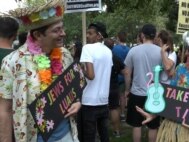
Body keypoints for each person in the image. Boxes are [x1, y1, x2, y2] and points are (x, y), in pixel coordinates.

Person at [0, 0, 82, 142]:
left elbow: (73, 89)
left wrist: (77, 102)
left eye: (62, 28)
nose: (63, 33)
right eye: (56, 30)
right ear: (38, 35)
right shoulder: (13, 62)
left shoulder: (65, 55)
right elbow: (4, 110)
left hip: (66, 135)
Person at [124, 24, 161, 142]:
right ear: (154, 36)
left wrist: (127, 89)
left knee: (137, 125)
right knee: (153, 126)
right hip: (154, 93)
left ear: (142, 35)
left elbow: (127, 73)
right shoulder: (161, 52)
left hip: (137, 93)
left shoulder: (133, 50)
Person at [79, 22, 113, 142]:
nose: (87, 36)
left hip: (89, 101)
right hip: (103, 100)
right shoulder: (108, 52)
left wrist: (81, 69)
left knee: (88, 136)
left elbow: (91, 75)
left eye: (90, 33)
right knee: (104, 134)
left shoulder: (87, 48)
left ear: (99, 36)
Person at [104, 38, 126, 138]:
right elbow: (124, 72)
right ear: (113, 47)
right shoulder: (115, 58)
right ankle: (116, 131)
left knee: (99, 109)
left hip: (101, 87)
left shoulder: (100, 57)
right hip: (113, 86)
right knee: (114, 109)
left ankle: (98, 133)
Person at [112, 31, 130, 121]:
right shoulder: (128, 49)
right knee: (122, 96)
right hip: (125, 75)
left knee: (115, 97)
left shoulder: (114, 49)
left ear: (118, 38)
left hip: (115, 75)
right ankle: (122, 114)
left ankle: (113, 114)